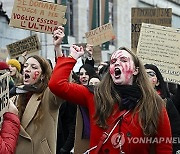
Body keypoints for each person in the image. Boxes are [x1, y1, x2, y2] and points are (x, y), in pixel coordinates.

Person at [49, 28, 172, 154]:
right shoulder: (95, 95)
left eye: (123, 60)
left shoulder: (154, 103)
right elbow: (56, 85)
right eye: (113, 61)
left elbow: (164, 148)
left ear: (136, 70)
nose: (117, 64)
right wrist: (72, 57)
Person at [10, 55, 64, 154]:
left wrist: (58, 50)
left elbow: (61, 85)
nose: (27, 69)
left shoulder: (48, 95)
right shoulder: (15, 96)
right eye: (25, 66)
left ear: (42, 75)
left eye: (33, 67)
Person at [144, 63, 180, 154]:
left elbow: (175, 131)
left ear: (158, 82)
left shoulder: (166, 103)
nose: (146, 77)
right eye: (143, 75)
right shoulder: (131, 103)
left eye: (151, 74)